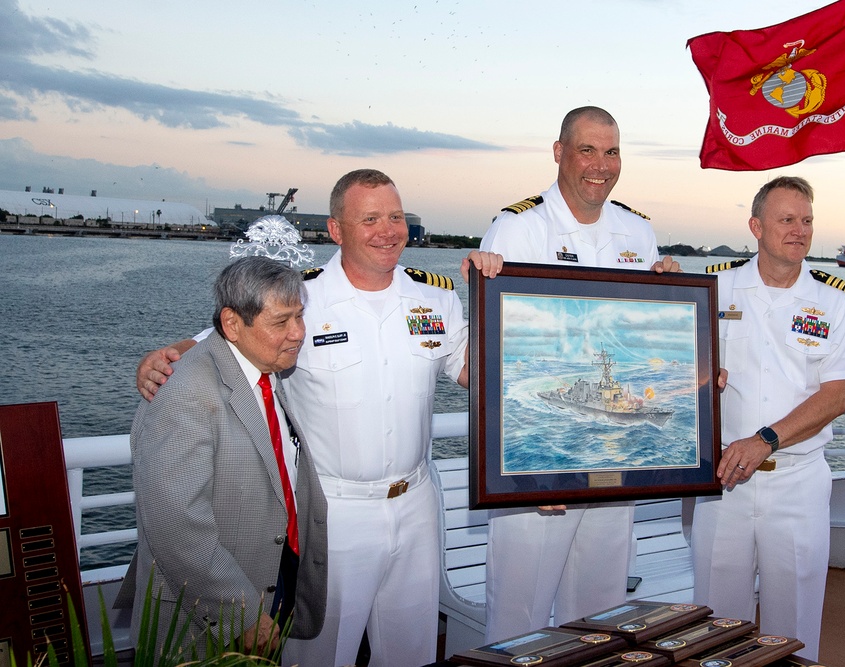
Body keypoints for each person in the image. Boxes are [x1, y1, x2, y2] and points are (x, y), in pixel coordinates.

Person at [136, 169, 502, 667]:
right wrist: (165, 356)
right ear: (336, 230)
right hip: (334, 512)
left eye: (395, 216)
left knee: (411, 652)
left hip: (417, 504)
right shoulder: (302, 297)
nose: (388, 230)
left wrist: (508, 291)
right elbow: (224, 341)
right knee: (320, 655)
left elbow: (476, 370)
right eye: (369, 218)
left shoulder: (434, 296)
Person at [478, 106, 679, 641]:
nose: (601, 165)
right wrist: (524, 473)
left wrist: (672, 296)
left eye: (611, 152)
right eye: (587, 150)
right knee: (518, 621)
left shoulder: (637, 232)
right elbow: (494, 356)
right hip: (536, 472)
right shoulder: (518, 228)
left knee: (600, 615)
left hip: (613, 470)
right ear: (559, 152)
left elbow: (643, 327)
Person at [691, 176, 845, 661]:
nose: (800, 230)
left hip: (797, 483)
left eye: (807, 220)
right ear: (756, 226)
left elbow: (836, 395)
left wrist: (766, 440)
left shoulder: (836, 300)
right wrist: (700, 373)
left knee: (792, 631)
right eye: (787, 219)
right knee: (712, 624)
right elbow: (675, 367)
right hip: (722, 482)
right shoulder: (714, 285)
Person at [121, 256, 328, 658]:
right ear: (232, 324)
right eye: (281, 322)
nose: (298, 333)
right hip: (208, 618)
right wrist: (242, 615)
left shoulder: (259, 366)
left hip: (269, 577)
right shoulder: (185, 393)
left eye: (300, 317)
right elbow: (176, 527)